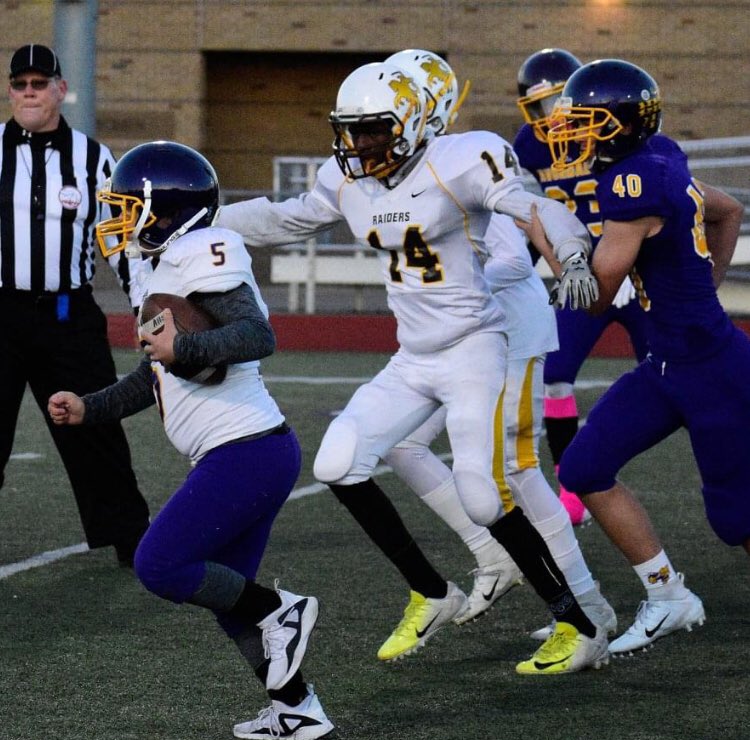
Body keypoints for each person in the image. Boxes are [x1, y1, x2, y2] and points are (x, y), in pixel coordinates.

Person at [218, 61, 610, 675]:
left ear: (417, 122)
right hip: (413, 356)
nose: (359, 145)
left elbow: (534, 210)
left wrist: (570, 254)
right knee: (338, 464)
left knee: (487, 492)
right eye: (351, 130)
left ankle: (578, 622)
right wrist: (198, 219)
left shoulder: (462, 161)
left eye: (373, 129)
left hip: (474, 348)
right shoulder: (350, 180)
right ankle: (431, 589)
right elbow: (287, 218)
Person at [48, 141, 333, 740]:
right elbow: (154, 372)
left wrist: (188, 349)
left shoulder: (203, 249)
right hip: (250, 451)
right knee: (227, 598)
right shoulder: (166, 263)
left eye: (128, 206)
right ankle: (298, 708)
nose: (117, 220)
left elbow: (257, 335)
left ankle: (279, 610)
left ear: (166, 209)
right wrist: (90, 408)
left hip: (246, 450)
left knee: (159, 564)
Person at [379, 49, 616, 637]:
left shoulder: (467, 159)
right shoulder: (401, 172)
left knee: (516, 466)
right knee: (401, 442)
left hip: (504, 330)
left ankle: (590, 606)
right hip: (455, 342)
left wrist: (449, 277)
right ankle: (494, 555)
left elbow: (510, 258)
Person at [544, 58, 749, 654]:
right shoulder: (663, 157)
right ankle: (668, 596)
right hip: (665, 366)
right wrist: (709, 278)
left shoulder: (631, 183)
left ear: (622, 125)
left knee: (737, 522)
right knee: (582, 469)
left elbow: (594, 300)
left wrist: (549, 240)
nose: (575, 135)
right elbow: (728, 208)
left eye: (587, 123)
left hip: (712, 370)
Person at [0, 43, 149, 566]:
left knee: (96, 426)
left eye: (40, 84)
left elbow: (122, 245)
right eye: (20, 84)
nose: (29, 93)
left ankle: (131, 540)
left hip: (67, 316)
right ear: (10, 89)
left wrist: (144, 307)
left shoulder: (96, 159)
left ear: (61, 90)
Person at [513, 48, 651, 526]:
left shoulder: (615, 132)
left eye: (557, 104)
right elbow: (531, 215)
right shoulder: (529, 145)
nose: (549, 119)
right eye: (539, 108)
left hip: (640, 274)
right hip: (581, 278)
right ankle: (571, 488)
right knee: (554, 373)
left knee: (681, 374)